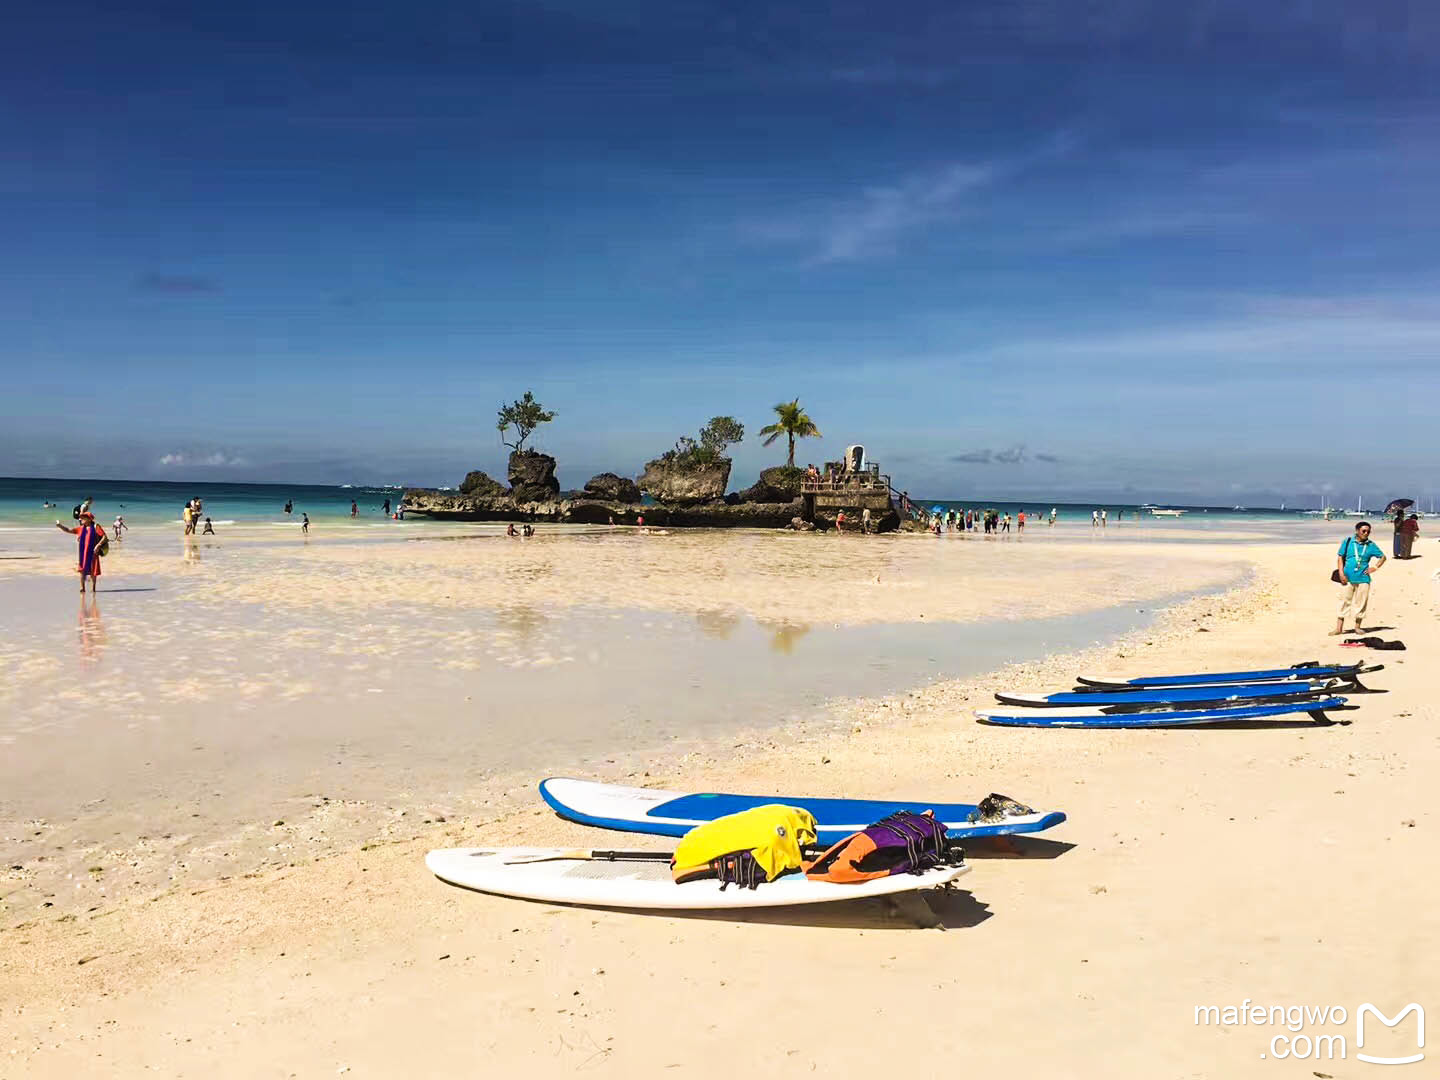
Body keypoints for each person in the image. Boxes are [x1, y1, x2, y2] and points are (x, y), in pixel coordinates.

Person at [1333, 520, 1385, 635]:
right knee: (1344, 602)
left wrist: (1374, 568)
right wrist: (1341, 573)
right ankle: (1339, 628)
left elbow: (1382, 557)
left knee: (1361, 603)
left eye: (1368, 531)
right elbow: (1340, 558)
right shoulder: (1348, 541)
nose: (1366, 533)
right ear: (1357, 531)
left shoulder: (1371, 545)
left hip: (1363, 579)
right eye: (1363, 531)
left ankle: (1357, 627)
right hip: (1347, 578)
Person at [56, 510, 105, 593]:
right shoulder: (81, 528)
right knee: (82, 571)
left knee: (93, 571)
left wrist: (98, 545)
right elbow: (69, 530)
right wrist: (60, 526)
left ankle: (93, 588)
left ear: (89, 519)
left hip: (93, 553)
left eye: (83, 518)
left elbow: (104, 537)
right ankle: (82, 588)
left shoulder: (96, 527)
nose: (81, 519)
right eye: (81, 518)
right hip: (83, 554)